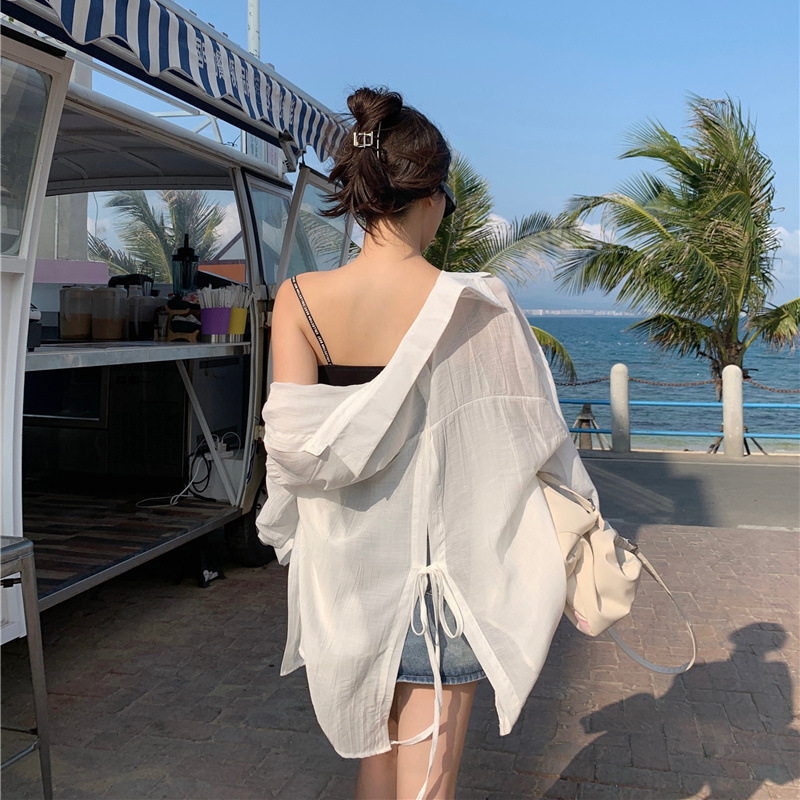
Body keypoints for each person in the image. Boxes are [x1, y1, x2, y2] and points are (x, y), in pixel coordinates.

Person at [257, 87, 601, 800]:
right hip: (446, 582)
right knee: (429, 787)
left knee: (376, 767)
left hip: (345, 578)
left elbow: (290, 449)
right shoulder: (476, 305)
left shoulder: (299, 300)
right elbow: (533, 437)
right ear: (433, 197)